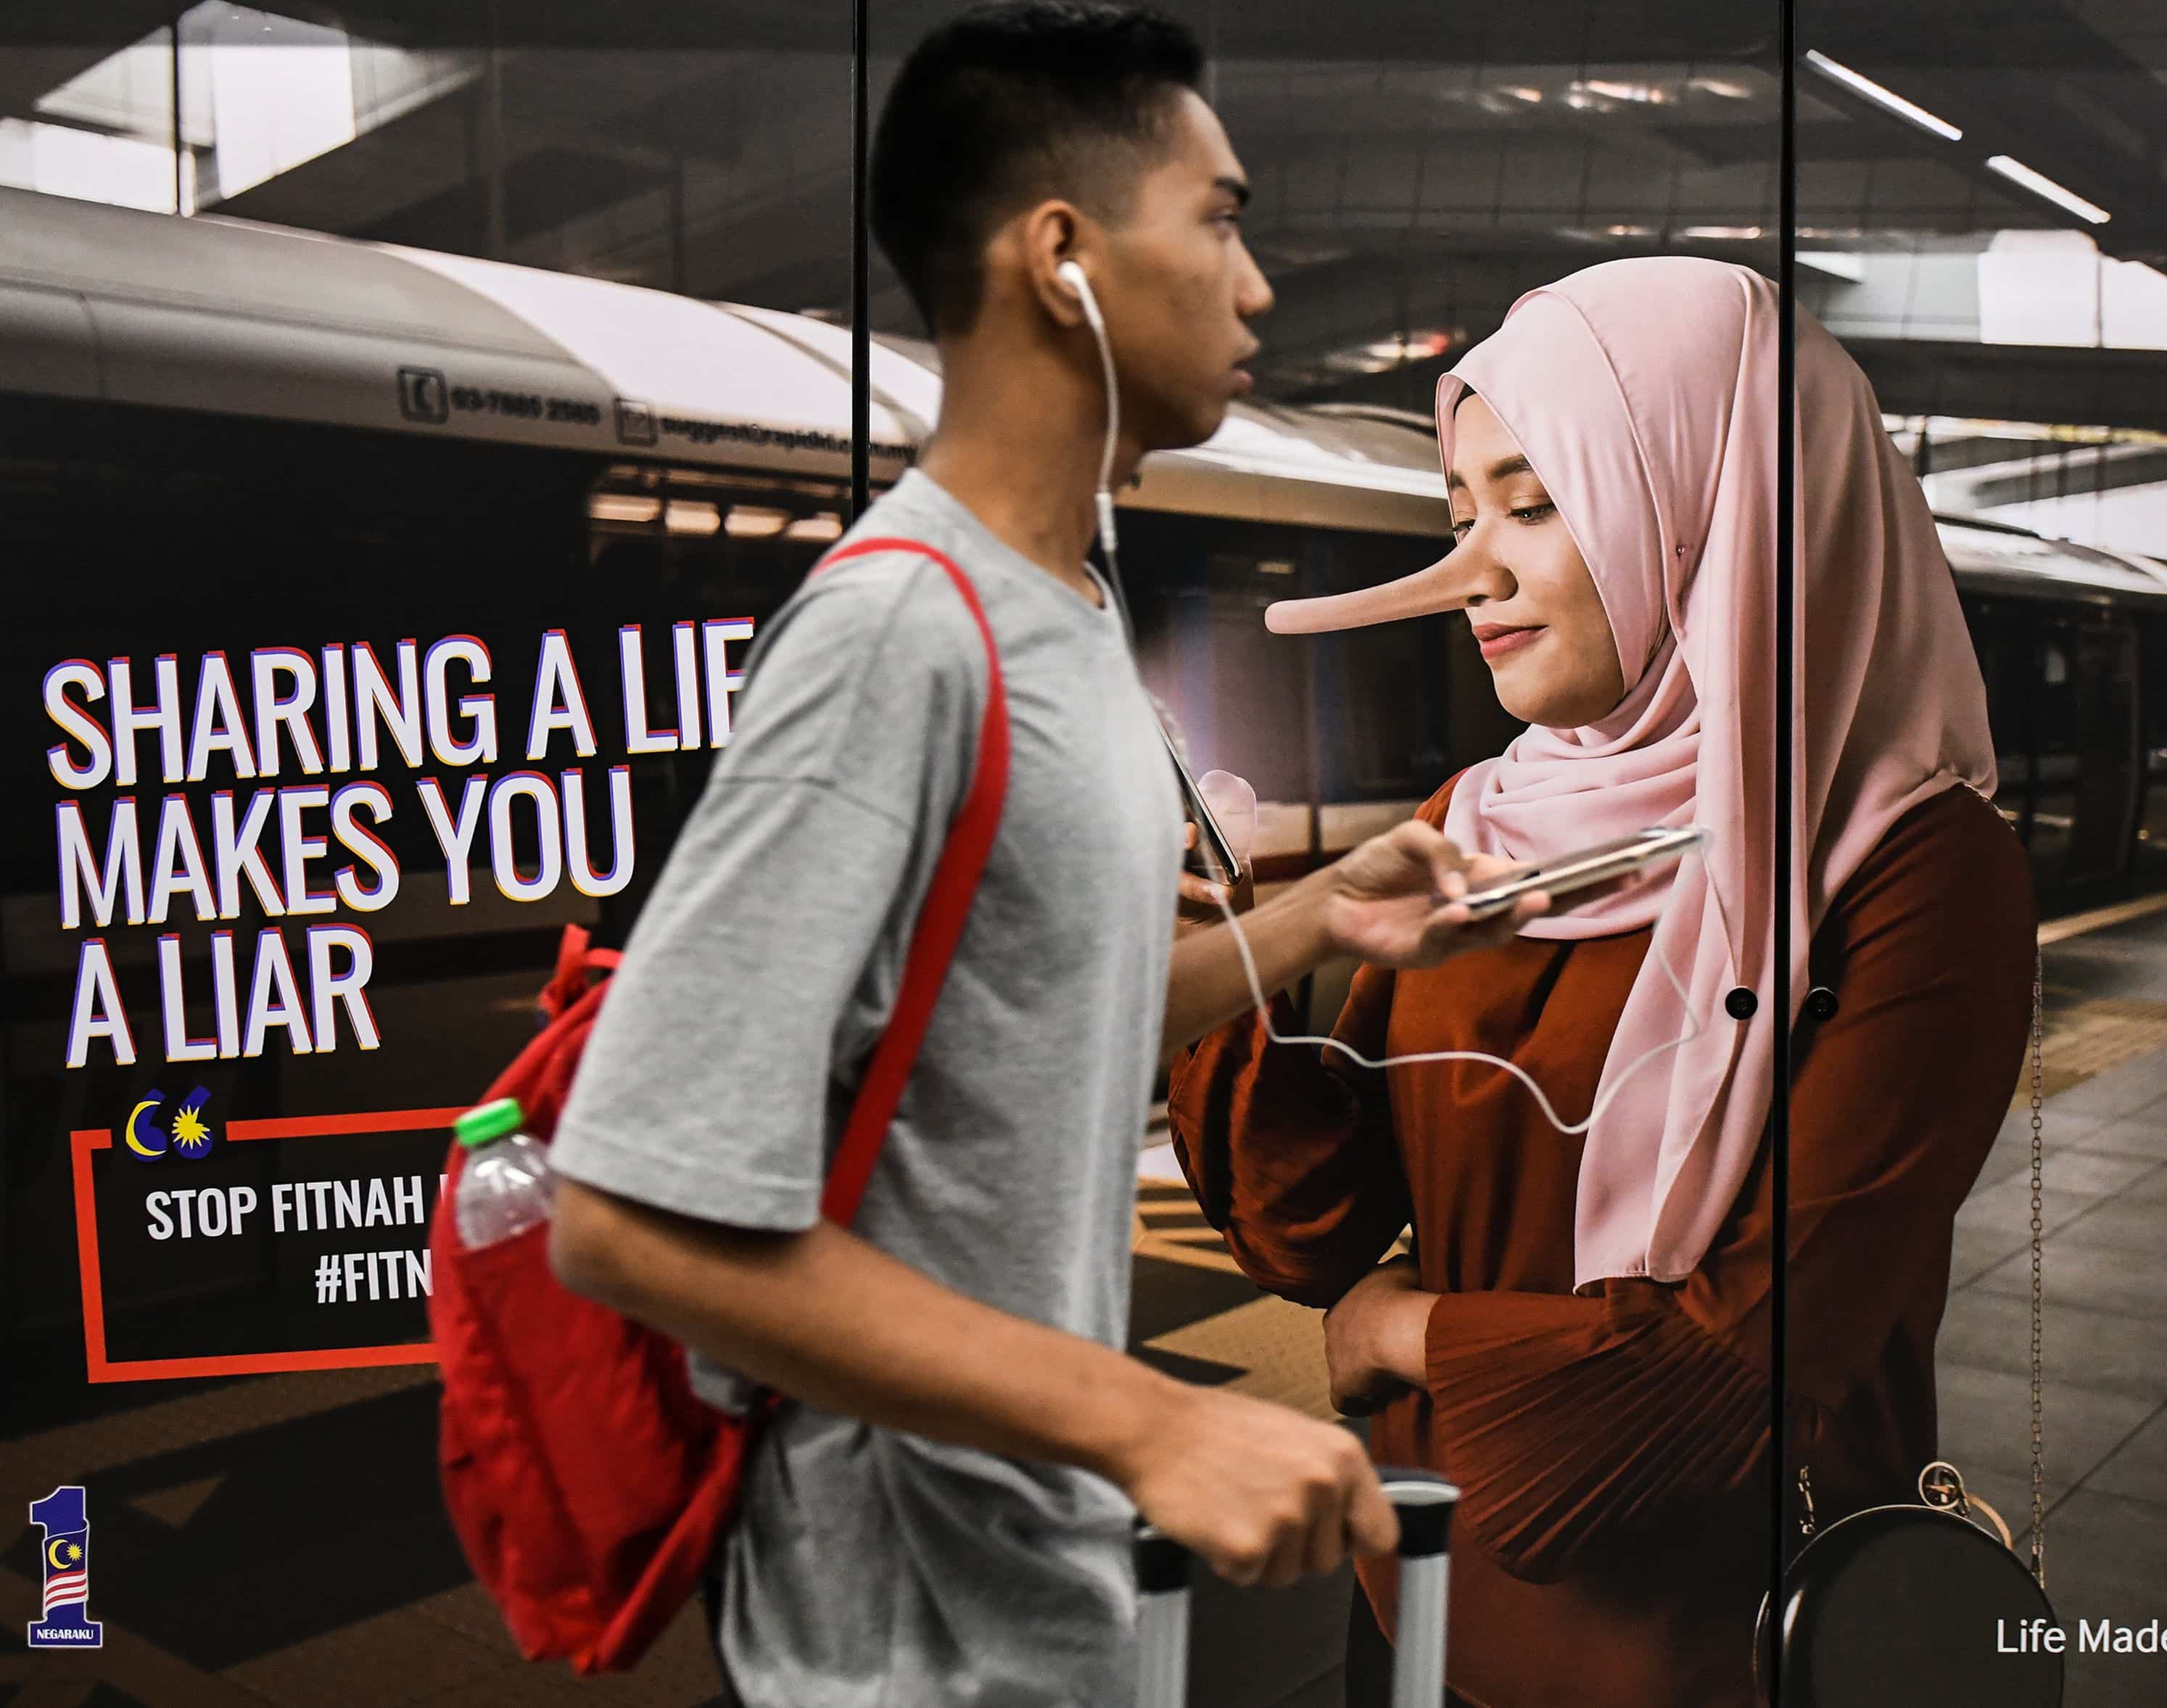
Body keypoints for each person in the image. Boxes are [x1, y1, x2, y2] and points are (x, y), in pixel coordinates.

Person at [542, 7, 1548, 1704]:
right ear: (1063, 259)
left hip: (1036, 1605)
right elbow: (629, 1209)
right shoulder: (898, 634)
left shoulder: (1070, 614)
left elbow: (1036, 1023)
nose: (1259, 286)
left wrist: (1309, 920)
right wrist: (1156, 1417)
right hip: (892, 1647)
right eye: (1218, 219)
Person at [1171, 258, 2039, 1708]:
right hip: (1419, 1603)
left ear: (1714, 500)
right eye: (1456, 520)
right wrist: (1223, 935)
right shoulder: (1475, 820)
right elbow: (1308, 1222)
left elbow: (1748, 1359)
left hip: (1717, 1645)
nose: (1476, 577)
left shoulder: (1915, 867)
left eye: (1534, 499)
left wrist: (1404, 1330)